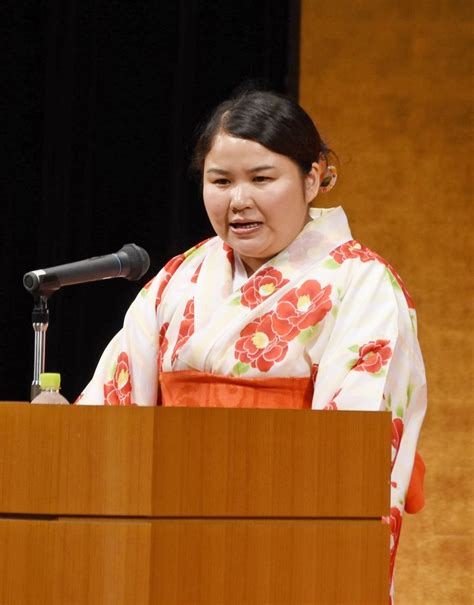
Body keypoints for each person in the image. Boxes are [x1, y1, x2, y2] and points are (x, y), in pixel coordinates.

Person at [77, 89, 427, 600]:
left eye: (262, 179)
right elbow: (113, 409)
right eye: (220, 181)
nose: (238, 199)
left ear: (312, 178)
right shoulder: (180, 279)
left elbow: (354, 448)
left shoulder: (361, 284)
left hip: (289, 544)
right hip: (166, 539)